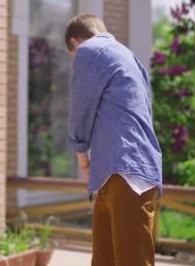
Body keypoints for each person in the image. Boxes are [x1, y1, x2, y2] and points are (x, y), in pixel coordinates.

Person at [65, 14, 162, 266]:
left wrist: (82, 161)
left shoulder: (88, 50)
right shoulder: (129, 56)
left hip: (123, 173)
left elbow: (80, 108)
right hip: (125, 171)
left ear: (76, 43)